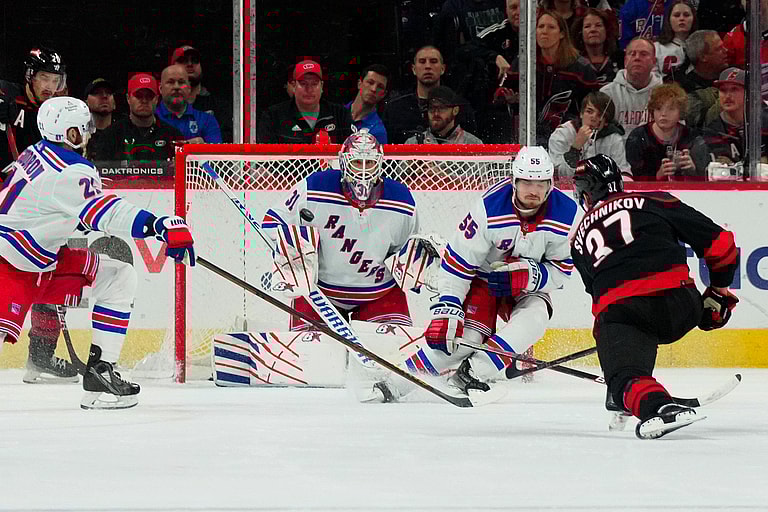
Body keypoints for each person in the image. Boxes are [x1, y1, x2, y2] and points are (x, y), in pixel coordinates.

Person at [0, 96, 195, 409]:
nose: (88, 132)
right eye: (83, 127)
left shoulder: (36, 153)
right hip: (7, 268)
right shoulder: (71, 169)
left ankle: (100, 377)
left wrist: (78, 218)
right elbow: (105, 211)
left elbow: (44, 210)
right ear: (70, 134)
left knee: (118, 276)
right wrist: (157, 224)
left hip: (39, 264)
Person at [570, 154, 738, 439]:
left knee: (622, 374)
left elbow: (600, 298)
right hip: (681, 306)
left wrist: (615, 362)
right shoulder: (657, 201)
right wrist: (718, 291)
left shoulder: (578, 242)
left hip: (627, 313)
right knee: (633, 326)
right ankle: (635, 382)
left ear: (586, 193)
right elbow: (722, 245)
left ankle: (642, 396)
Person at [415, 147, 579, 397]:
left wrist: (530, 275)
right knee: (463, 339)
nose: (533, 191)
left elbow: (562, 269)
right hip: (483, 281)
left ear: (550, 184)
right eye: (526, 182)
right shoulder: (488, 210)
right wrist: (448, 307)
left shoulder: (569, 215)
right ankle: (397, 378)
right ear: (514, 181)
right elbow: (458, 263)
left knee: (535, 318)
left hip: (528, 287)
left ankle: (472, 373)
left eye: (540, 183)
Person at [261, 128, 419, 332]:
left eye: (369, 163)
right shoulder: (315, 186)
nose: (363, 171)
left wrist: (415, 263)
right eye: (356, 163)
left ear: (379, 163)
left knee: (390, 358)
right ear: (343, 163)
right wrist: (291, 248)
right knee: (312, 359)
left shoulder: (402, 199)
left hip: (380, 294)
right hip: (319, 293)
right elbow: (272, 222)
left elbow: (408, 249)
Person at [504, 10, 599, 147]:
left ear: (561, 34)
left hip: (566, 138)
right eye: (540, 26)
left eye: (551, 27)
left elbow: (592, 107)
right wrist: (511, 99)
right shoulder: (523, 62)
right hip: (527, 136)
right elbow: (503, 93)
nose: (544, 31)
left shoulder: (581, 67)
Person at [458, 0, 521, 142]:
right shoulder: (497, 31)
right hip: (497, 108)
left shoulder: (543, 30)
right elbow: (465, 50)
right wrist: (495, 56)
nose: (518, 12)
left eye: (522, 7)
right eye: (513, 7)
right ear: (506, 10)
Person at [91, 73, 184, 163]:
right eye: (138, 96)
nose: (144, 100)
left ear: (156, 99)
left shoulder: (172, 135)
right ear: (128, 98)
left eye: (149, 96)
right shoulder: (110, 135)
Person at [625, 83, 709, 181]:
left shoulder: (692, 137)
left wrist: (693, 170)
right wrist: (658, 176)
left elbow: (706, 177)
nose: (663, 114)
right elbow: (633, 179)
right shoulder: (638, 137)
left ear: (681, 112)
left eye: (671, 109)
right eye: (658, 109)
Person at [258, 59, 353, 144]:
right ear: (294, 86)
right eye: (303, 84)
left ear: (322, 86)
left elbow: (352, 154)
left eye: (314, 84)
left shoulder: (340, 114)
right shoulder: (273, 116)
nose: (309, 89)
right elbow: (265, 159)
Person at [1, 47, 67, 169]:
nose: (50, 86)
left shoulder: (55, 112)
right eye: (44, 77)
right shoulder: (8, 93)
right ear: (30, 76)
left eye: (55, 80)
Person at [548, 91, 629, 177]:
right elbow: (559, 174)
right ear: (581, 114)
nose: (593, 118)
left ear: (606, 121)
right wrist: (575, 148)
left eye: (600, 115)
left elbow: (623, 172)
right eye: (589, 112)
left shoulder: (614, 138)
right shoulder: (562, 134)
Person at [600, 37, 663, 142]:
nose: (637, 58)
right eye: (632, 54)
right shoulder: (607, 93)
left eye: (643, 54)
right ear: (625, 61)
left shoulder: (665, 95)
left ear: (654, 61)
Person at [703, 68, 768, 164]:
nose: (727, 96)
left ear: (748, 93)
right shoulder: (713, 131)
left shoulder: (765, 121)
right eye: (723, 90)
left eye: (734, 89)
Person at [170, 45, 233, 142]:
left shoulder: (219, 106)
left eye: (195, 60)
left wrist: (204, 144)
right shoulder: (162, 105)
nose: (190, 64)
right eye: (183, 60)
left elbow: (230, 141)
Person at [155, 64, 221, 144]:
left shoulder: (207, 120)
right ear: (160, 89)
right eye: (171, 82)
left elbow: (216, 153)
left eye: (181, 82)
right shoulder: (151, 119)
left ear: (189, 88)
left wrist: (203, 147)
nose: (176, 87)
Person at [404, 86, 483, 144]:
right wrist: (412, 166)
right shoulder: (413, 143)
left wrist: (437, 168)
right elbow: (399, 167)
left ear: (455, 110)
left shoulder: (473, 144)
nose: (436, 113)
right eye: (431, 108)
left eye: (442, 108)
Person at [571, 8, 621, 86]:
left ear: (606, 30)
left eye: (598, 25)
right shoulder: (573, 63)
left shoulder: (620, 59)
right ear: (580, 32)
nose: (593, 30)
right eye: (587, 26)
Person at [654, 0, 698, 81]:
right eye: (677, 15)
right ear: (669, 20)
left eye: (686, 15)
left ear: (694, 19)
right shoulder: (656, 48)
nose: (681, 18)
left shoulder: (701, 47)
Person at [347, 64, 390, 143]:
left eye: (380, 87)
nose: (374, 89)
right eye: (370, 82)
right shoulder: (335, 114)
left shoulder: (379, 132)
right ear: (359, 84)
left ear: (383, 94)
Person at [83, 78, 118, 157]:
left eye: (108, 93)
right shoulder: (80, 134)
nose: (104, 96)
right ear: (86, 103)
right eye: (96, 93)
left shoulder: (122, 133)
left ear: (114, 104)